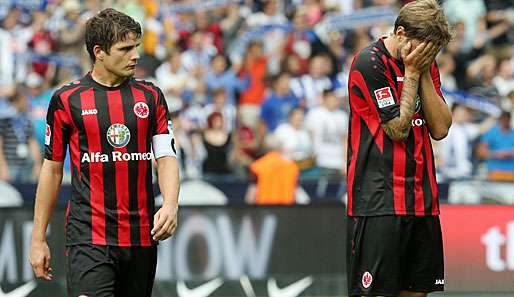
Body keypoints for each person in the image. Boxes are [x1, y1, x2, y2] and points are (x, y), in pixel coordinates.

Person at [29, 9, 180, 297]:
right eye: (125, 49)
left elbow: (166, 158)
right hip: (89, 236)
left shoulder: (151, 97)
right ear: (99, 52)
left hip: (141, 236)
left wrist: (170, 204)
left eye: (135, 46)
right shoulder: (66, 100)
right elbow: (51, 169)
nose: (135, 55)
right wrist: (38, 238)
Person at [346, 1, 452, 297]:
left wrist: (423, 70)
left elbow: (441, 128)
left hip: (423, 198)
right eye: (424, 47)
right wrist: (414, 73)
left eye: (433, 51)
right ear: (401, 32)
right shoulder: (369, 63)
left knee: (417, 293)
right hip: (379, 199)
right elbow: (397, 128)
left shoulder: (424, 62)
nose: (428, 55)